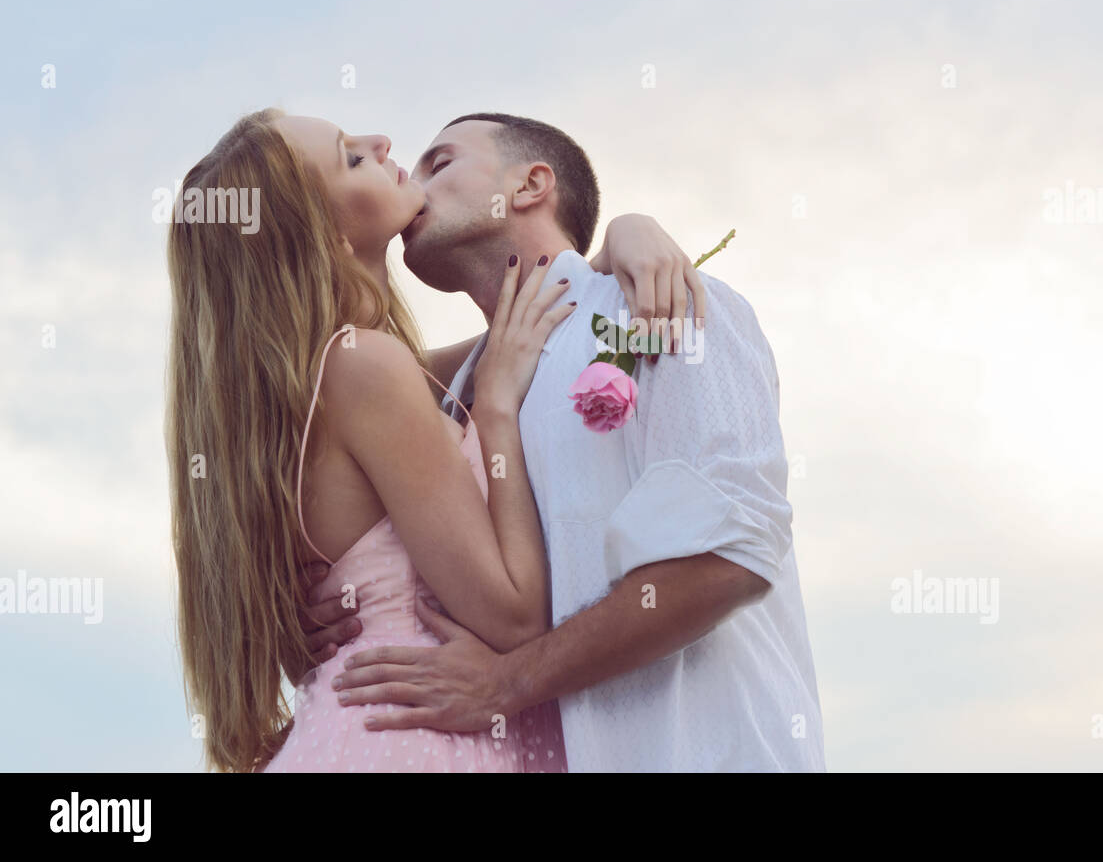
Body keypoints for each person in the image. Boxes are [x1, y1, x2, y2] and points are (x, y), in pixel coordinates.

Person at [166, 108, 702, 772]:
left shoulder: (338, 377)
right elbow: (512, 620)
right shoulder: (368, 367)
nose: (382, 141)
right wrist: (499, 409)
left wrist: (624, 235)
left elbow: (536, 324)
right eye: (351, 157)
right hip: (415, 739)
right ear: (323, 235)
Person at [313, 114, 827, 771]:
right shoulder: (444, 400)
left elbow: (729, 555)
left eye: (438, 163)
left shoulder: (660, 308)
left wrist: (508, 682)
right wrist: (316, 606)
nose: (410, 181)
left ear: (530, 185)